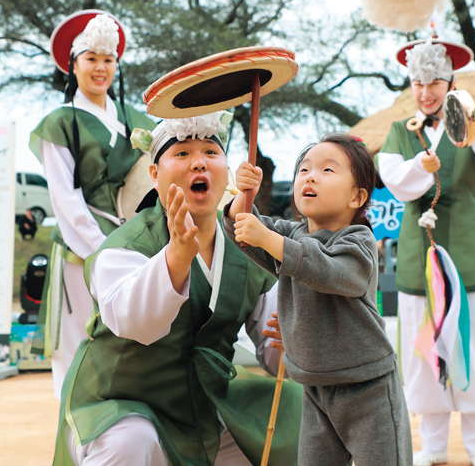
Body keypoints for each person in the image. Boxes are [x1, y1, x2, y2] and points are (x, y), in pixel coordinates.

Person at [52, 112, 303, 466]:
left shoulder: (248, 245)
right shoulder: (125, 246)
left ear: (227, 172)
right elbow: (136, 323)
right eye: (182, 154)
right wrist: (176, 257)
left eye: (211, 153)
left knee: (299, 414)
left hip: (204, 409)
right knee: (129, 442)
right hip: (123, 407)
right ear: (154, 174)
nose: (198, 162)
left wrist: (294, 342)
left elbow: (277, 352)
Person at [377, 38, 475, 466]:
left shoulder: (463, 120)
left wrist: (469, 117)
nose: (425, 91)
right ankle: (432, 446)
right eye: (417, 82)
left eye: (434, 82)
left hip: (468, 247)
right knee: (422, 345)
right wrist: (418, 168)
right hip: (418, 252)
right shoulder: (400, 131)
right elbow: (395, 180)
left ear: (450, 82)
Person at [224, 134, 413, 466]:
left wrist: (267, 238)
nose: (310, 176)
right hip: (314, 389)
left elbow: (325, 270)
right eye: (304, 169)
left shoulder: (359, 241)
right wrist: (243, 195)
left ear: (358, 196)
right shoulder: (293, 235)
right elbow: (242, 230)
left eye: (327, 170)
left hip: (368, 389)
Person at [29, 10, 156, 399]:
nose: (100, 69)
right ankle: (78, 435)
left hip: (137, 243)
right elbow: (65, 199)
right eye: (91, 59)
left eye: (108, 60)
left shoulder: (135, 119)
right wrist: (103, 250)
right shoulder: (60, 123)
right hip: (82, 250)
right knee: (78, 344)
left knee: (136, 337)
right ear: (73, 64)